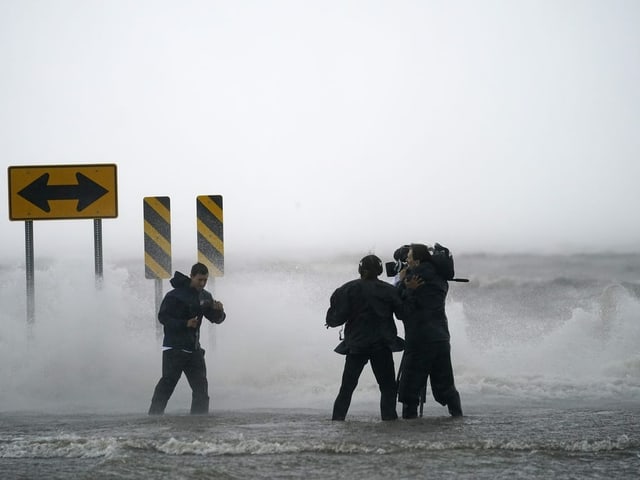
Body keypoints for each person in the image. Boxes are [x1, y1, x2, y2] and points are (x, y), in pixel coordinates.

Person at [326, 254, 420, 421]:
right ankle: (389, 422)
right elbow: (403, 314)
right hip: (381, 346)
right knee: (388, 389)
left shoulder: (346, 289)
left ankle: (337, 422)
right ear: (380, 270)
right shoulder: (389, 290)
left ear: (360, 270)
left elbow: (334, 320)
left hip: (356, 346)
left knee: (346, 389)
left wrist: (332, 310)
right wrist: (410, 291)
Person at [148, 262, 226, 415]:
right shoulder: (174, 295)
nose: (202, 283)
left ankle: (198, 422)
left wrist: (219, 312)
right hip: (174, 349)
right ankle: (154, 418)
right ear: (191, 276)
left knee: (201, 390)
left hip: (194, 350)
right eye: (199, 280)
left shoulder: (205, 296)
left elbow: (216, 319)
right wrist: (185, 323)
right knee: (166, 386)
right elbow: (163, 318)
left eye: (205, 280)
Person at [396, 243, 463, 418]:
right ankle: (458, 418)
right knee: (446, 386)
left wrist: (401, 282)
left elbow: (401, 308)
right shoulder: (440, 277)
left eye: (409, 257)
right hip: (441, 338)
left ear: (417, 260)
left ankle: (410, 426)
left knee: (409, 390)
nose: (406, 260)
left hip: (419, 339)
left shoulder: (413, 278)